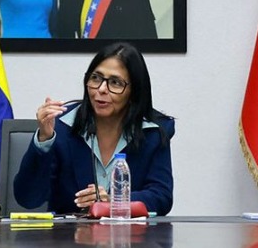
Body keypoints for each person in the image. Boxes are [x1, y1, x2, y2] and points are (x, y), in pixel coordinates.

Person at [14, 42, 174, 215]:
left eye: (115, 82)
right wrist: (44, 140)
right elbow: (28, 199)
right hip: (69, 232)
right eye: (96, 78)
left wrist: (115, 201)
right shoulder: (62, 125)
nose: (101, 89)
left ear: (134, 91)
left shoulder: (153, 131)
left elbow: (161, 197)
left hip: (129, 231)